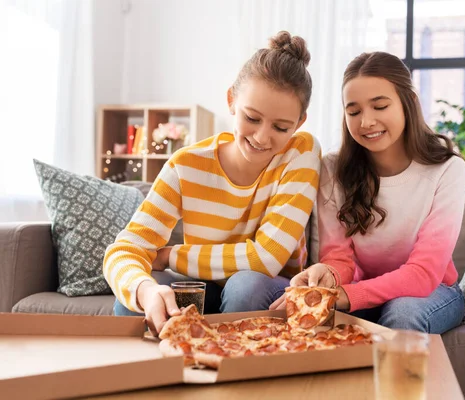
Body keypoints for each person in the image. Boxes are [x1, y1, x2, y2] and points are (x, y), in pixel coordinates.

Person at [104, 31, 321, 336]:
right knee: (135, 299)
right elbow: (123, 250)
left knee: (245, 286)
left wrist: (170, 255)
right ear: (232, 100)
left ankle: (234, 374)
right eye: (252, 118)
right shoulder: (186, 165)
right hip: (205, 288)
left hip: (263, 290)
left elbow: (266, 258)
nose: (262, 137)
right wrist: (144, 290)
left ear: (298, 123)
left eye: (281, 127)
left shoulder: (302, 151)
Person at [271, 51, 465, 334]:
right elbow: (340, 258)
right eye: (354, 111)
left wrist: (348, 296)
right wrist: (327, 274)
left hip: (433, 291)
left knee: (401, 313)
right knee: (277, 304)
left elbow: (424, 274)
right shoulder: (334, 169)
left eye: (380, 106)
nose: (366, 122)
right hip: (361, 289)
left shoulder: (448, 168)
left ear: (408, 102)